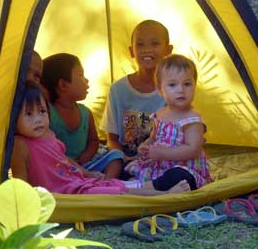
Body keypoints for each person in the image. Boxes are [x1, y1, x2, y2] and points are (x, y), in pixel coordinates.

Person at [10, 82, 192, 195]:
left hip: (76, 183)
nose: (38, 119)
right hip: (63, 193)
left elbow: (64, 160)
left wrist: (87, 173)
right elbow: (20, 185)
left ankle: (155, 187)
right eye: (28, 114)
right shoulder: (20, 145)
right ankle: (166, 195)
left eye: (42, 111)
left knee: (116, 186)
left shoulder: (47, 135)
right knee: (116, 195)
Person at [125, 54, 213, 189]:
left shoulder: (192, 119)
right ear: (160, 90)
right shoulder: (160, 114)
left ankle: (144, 188)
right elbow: (153, 138)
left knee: (179, 176)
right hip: (159, 166)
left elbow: (192, 150)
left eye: (187, 84)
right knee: (129, 166)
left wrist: (161, 154)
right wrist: (145, 146)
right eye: (172, 85)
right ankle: (145, 185)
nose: (181, 90)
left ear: (195, 85)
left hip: (184, 168)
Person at [41, 53, 124, 179]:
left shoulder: (85, 113)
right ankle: (89, 184)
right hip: (61, 167)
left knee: (116, 156)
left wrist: (87, 154)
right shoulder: (47, 114)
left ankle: (106, 183)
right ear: (63, 85)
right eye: (80, 75)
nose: (86, 80)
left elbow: (93, 140)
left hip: (87, 164)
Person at [100, 20, 173, 160]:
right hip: (127, 160)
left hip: (163, 159)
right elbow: (112, 139)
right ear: (132, 51)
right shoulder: (118, 90)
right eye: (140, 44)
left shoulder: (174, 88)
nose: (147, 49)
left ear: (168, 50)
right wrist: (124, 159)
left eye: (155, 43)